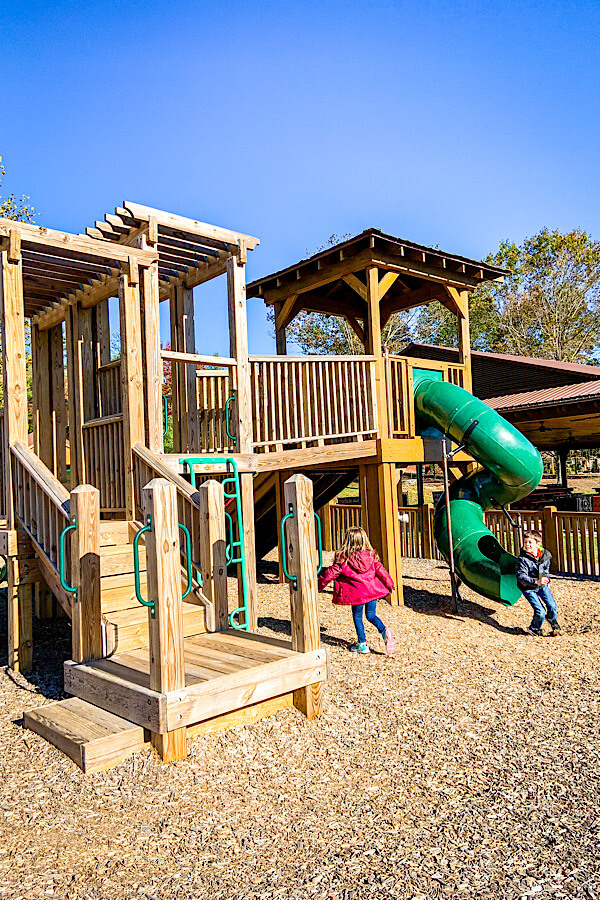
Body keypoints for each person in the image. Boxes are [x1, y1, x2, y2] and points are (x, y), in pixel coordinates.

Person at [318, 525, 396, 654]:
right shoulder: (371, 556)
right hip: (372, 591)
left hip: (356, 594)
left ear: (347, 540)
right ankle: (384, 630)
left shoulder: (344, 558)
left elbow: (330, 574)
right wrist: (390, 585)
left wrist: (319, 586)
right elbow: (381, 571)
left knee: (358, 616)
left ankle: (363, 644)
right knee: (371, 615)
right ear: (364, 540)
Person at [516, 530, 561, 637]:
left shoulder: (545, 556)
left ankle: (551, 618)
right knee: (540, 611)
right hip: (527, 587)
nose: (527, 545)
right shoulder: (522, 559)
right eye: (525, 542)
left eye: (530, 542)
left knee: (552, 605)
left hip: (541, 585)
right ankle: (534, 628)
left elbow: (545, 569)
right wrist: (536, 581)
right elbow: (521, 576)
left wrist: (547, 579)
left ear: (538, 544)